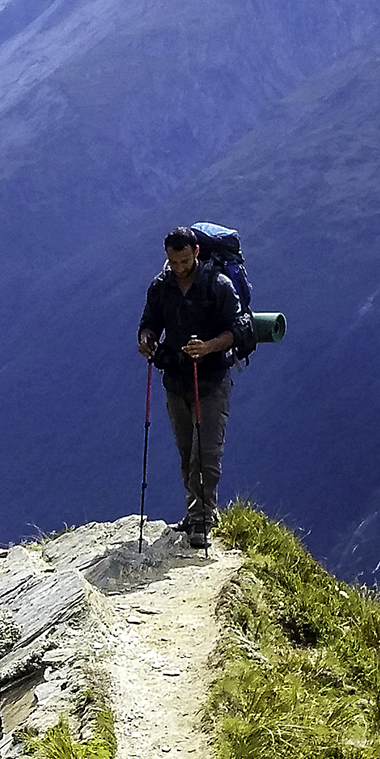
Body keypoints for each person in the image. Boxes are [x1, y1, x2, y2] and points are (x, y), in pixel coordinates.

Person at [136, 227, 244, 549]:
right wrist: (146, 339)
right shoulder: (161, 287)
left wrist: (208, 347)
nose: (179, 268)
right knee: (187, 452)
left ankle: (203, 519)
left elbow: (239, 328)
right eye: (173, 261)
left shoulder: (217, 285)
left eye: (184, 260)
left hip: (211, 380)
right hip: (177, 379)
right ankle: (195, 511)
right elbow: (149, 322)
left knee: (206, 453)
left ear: (196, 251)